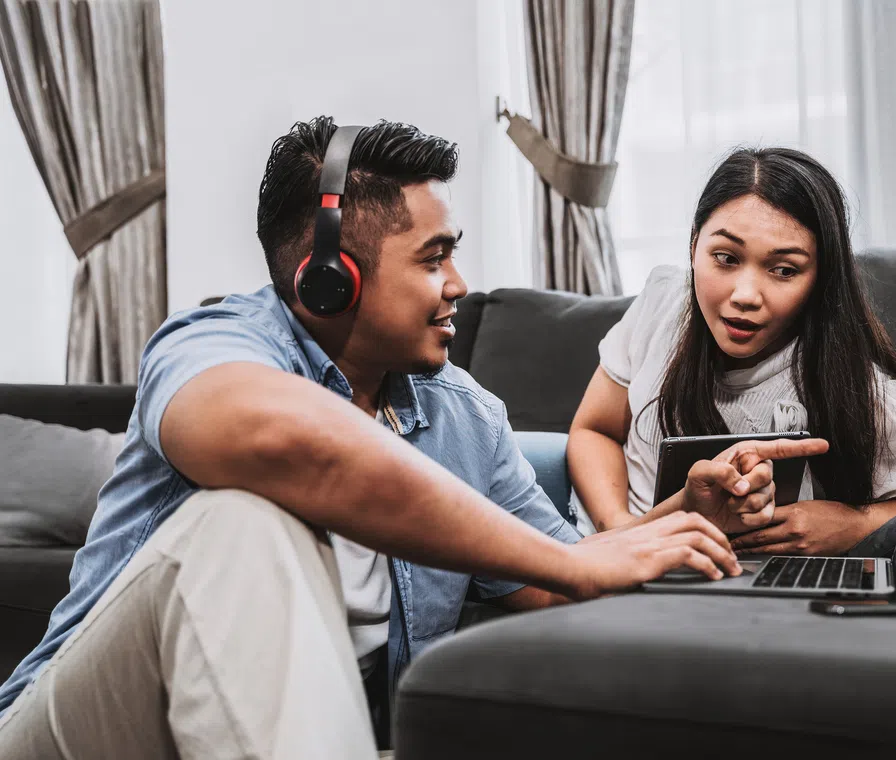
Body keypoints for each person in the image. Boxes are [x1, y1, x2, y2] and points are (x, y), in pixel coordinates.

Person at [0, 118, 826, 759]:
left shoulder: (461, 414)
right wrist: (577, 557)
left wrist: (679, 517)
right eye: (434, 258)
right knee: (242, 522)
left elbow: (550, 578)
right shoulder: (217, 346)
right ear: (332, 279)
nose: (459, 284)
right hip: (77, 732)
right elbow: (281, 439)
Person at [568, 147, 896, 555]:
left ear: (820, 278)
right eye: (725, 258)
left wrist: (854, 523)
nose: (745, 296)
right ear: (693, 246)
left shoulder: (863, 389)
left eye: (784, 270)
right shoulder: (662, 302)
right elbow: (593, 429)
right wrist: (622, 533)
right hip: (607, 561)